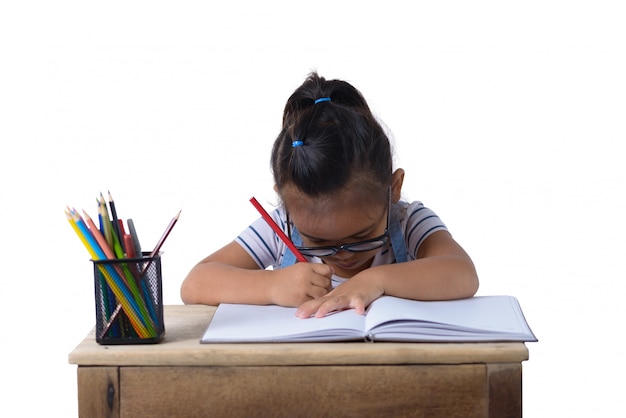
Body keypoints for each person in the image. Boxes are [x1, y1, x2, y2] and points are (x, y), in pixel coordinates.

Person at [181, 72, 478, 318]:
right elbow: (195, 284)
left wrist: (374, 280)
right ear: (287, 210)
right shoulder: (279, 229)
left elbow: (462, 273)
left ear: (393, 189)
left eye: (363, 235)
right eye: (320, 242)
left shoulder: (408, 221)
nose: (343, 254)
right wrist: (271, 285)